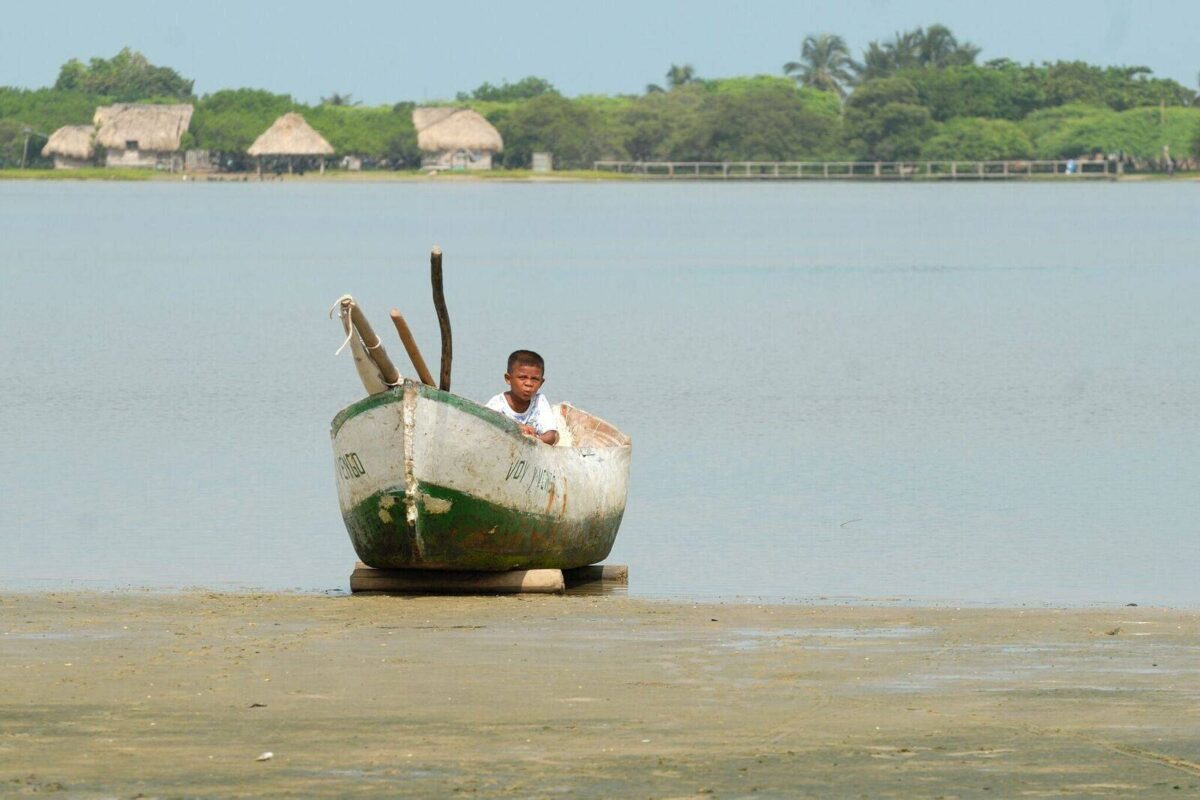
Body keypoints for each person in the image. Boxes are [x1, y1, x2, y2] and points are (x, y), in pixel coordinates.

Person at [485, 350, 559, 445]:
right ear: (508, 379)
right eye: (522, 377)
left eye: (535, 379)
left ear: (541, 383)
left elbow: (551, 435)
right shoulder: (497, 403)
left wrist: (533, 440)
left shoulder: (539, 401)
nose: (528, 384)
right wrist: (516, 428)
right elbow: (485, 426)